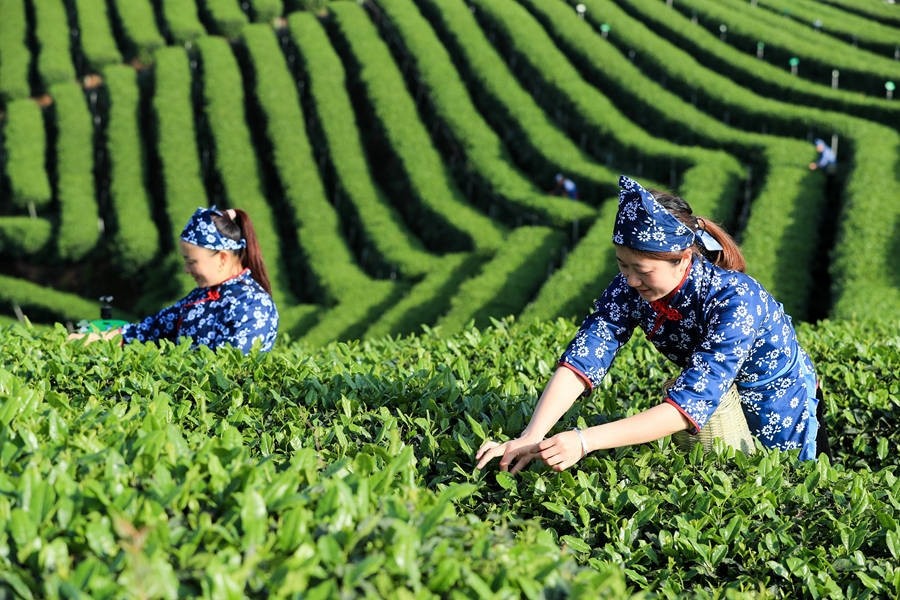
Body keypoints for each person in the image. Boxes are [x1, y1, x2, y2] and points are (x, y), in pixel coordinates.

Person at [476, 175, 827, 474]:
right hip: (718, 410)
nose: (630, 280)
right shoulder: (630, 289)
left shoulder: (735, 300)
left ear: (683, 259)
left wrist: (584, 441)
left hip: (781, 406)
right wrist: (531, 435)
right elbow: (587, 354)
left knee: (784, 488)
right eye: (622, 265)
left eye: (642, 270)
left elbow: (688, 405)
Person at [70, 206, 279, 353]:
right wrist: (90, 339)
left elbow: (229, 373)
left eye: (192, 261)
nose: (186, 270)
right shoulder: (199, 297)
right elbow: (148, 330)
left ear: (222, 258)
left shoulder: (254, 306)